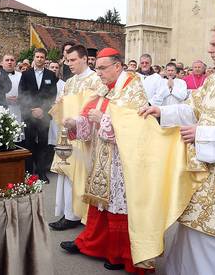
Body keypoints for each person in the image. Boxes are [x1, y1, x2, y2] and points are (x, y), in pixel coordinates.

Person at [139, 19, 215, 275]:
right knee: (190, 238)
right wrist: (162, 111)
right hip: (202, 178)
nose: (210, 50)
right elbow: (194, 109)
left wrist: (202, 135)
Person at [59, 48, 150, 274]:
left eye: (102, 68)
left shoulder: (133, 88)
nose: (97, 72)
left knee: (119, 203)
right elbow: (91, 115)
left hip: (122, 157)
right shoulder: (102, 87)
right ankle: (93, 243)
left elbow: (138, 125)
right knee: (101, 202)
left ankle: (119, 254)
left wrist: (104, 120)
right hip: (102, 152)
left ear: (117, 66)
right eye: (96, 67)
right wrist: (76, 123)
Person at [49, 45, 102, 231]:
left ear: (84, 59)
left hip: (84, 136)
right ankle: (66, 211)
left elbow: (96, 107)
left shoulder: (96, 80)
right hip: (68, 133)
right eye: (67, 60)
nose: (68, 63)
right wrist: (59, 105)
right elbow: (64, 102)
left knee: (78, 174)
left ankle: (76, 214)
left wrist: (77, 122)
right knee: (65, 172)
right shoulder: (70, 82)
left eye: (72, 60)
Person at [18, 48, 57, 183]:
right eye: (37, 56)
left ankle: (41, 173)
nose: (39, 59)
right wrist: (32, 109)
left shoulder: (51, 75)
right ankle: (29, 174)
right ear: (34, 58)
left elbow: (52, 95)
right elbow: (22, 94)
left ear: (45, 59)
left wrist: (43, 110)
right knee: (29, 144)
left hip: (44, 116)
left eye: (42, 57)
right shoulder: (26, 74)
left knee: (42, 145)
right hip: (29, 115)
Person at [2, 54, 22, 121]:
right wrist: (4, 99)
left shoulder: (21, 76)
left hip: (17, 109)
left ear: (15, 63)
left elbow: (26, 91)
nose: (9, 62)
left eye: (12, 60)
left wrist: (20, 98)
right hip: (1, 109)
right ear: (2, 63)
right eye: (7, 60)